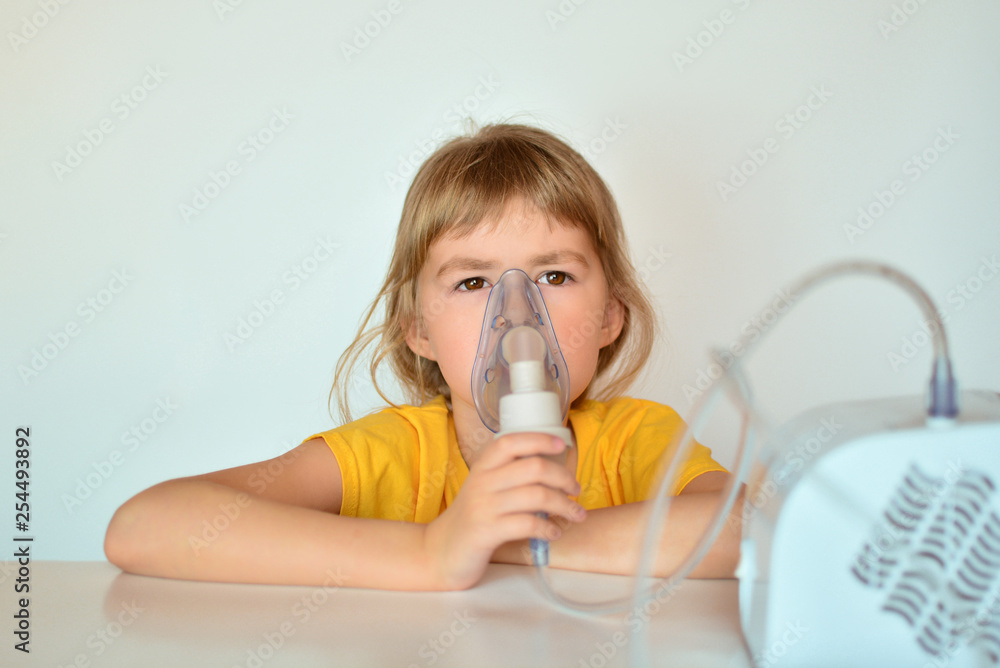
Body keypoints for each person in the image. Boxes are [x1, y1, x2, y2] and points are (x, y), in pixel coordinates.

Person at [105, 122, 742, 591]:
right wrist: (432, 552)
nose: (516, 314)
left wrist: (515, 542)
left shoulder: (636, 441)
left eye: (554, 277)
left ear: (611, 316)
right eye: (472, 283)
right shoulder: (391, 455)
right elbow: (144, 526)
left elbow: (752, 530)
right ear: (418, 330)